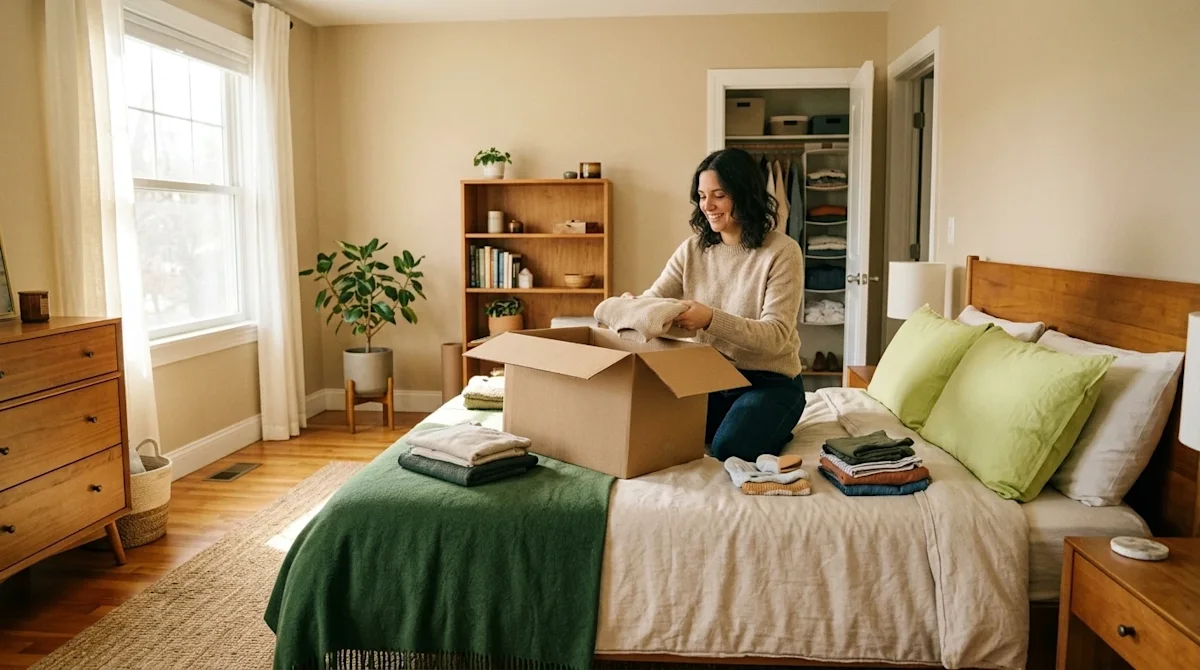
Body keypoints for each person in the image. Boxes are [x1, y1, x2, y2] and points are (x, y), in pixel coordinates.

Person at [635, 148, 806, 462]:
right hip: (712, 378)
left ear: (744, 195)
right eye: (701, 196)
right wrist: (628, 308)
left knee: (730, 448)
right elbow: (653, 298)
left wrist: (710, 319)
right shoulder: (692, 250)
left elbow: (776, 335)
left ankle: (773, 424)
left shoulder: (782, 252)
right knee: (655, 430)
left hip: (770, 382)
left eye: (719, 195)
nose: (708, 206)